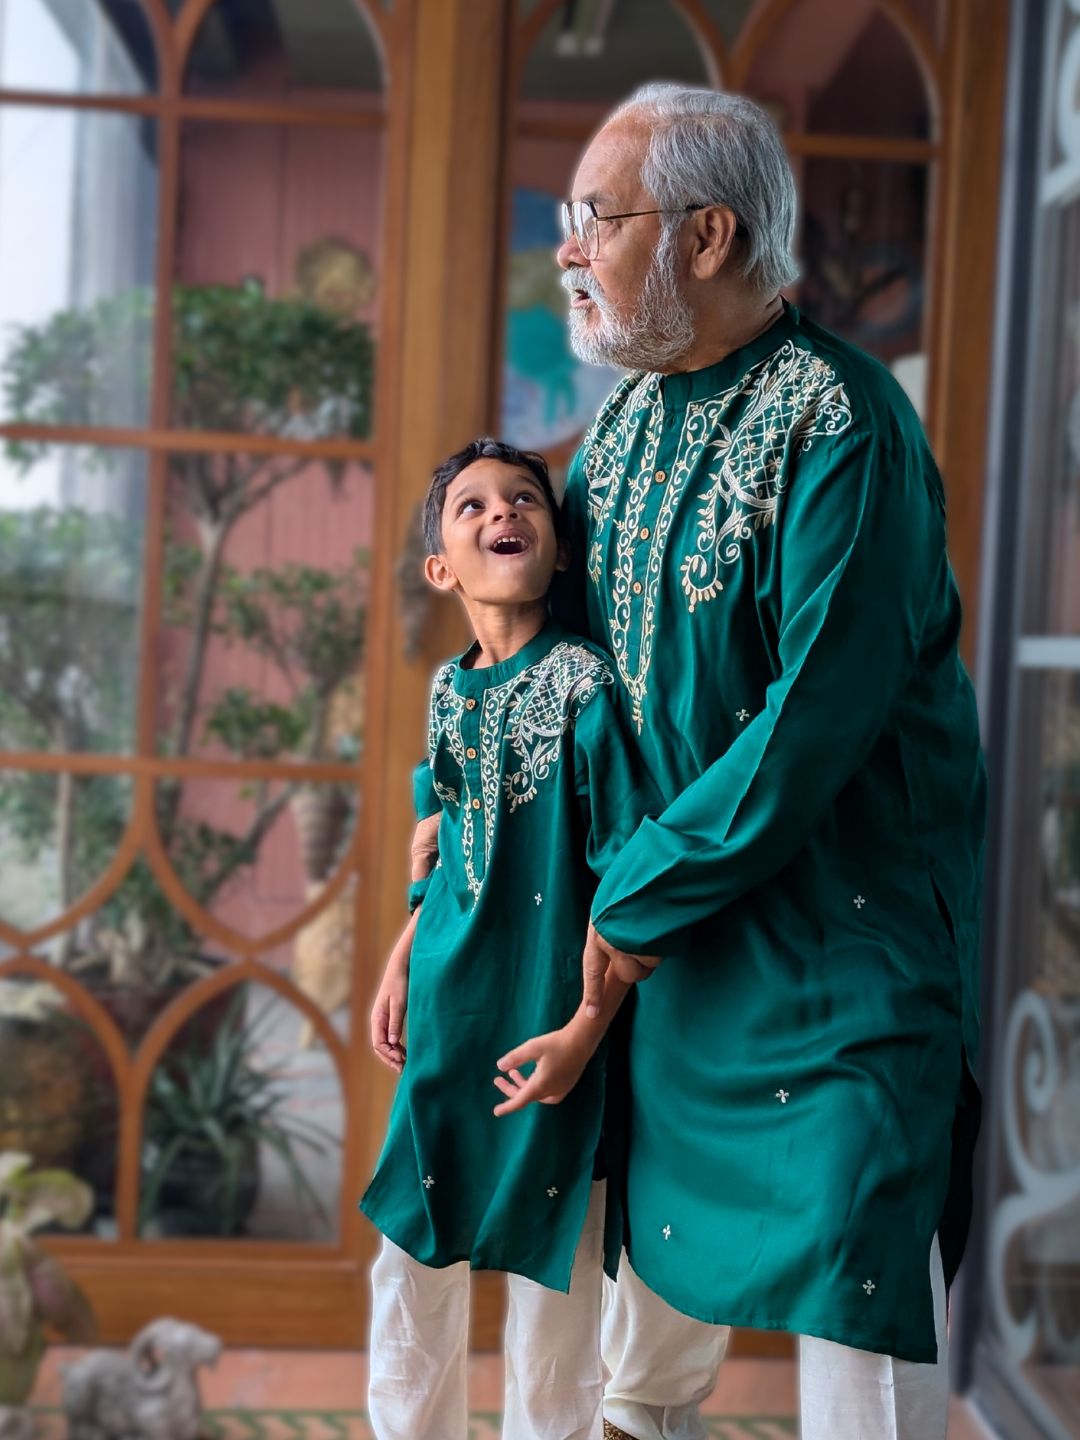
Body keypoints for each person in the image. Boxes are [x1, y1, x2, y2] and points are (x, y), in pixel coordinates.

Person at [417, 85, 987, 1440]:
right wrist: (465, 791)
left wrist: (630, 900)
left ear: (709, 236)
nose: (567, 249)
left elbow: (817, 717)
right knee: (653, 1319)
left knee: (859, 1262)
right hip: (682, 943)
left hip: (843, 943)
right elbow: (573, 658)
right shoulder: (624, 428)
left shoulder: (844, 423)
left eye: (592, 219)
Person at [361, 437, 655, 1440]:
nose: (503, 514)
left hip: (547, 1036)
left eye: (524, 499)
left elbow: (628, 880)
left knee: (557, 1313)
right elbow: (443, 840)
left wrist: (583, 1031)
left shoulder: (586, 689)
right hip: (448, 1019)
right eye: (473, 505)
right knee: (408, 1274)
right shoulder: (451, 690)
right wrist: (403, 954)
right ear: (441, 566)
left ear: (559, 547)